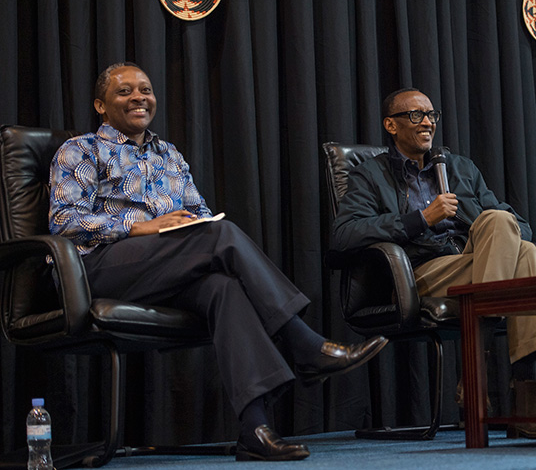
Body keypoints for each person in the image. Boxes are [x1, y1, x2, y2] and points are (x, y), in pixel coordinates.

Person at [48, 62, 387, 462]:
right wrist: (141, 227)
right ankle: (304, 344)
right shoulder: (81, 149)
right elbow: (65, 221)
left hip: (165, 265)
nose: (139, 97)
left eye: (145, 89)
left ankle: (254, 428)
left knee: (222, 288)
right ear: (100, 105)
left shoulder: (168, 154)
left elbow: (198, 212)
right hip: (98, 269)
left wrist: (191, 224)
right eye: (124, 92)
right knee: (221, 237)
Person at [330, 88, 536, 438]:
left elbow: (522, 228)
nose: (427, 122)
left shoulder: (458, 168)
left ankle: (478, 372)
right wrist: (421, 218)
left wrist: (464, 208)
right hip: (420, 272)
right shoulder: (371, 174)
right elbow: (343, 236)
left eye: (431, 115)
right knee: (524, 257)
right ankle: (523, 395)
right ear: (390, 125)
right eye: (416, 115)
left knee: (514, 238)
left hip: (474, 263)